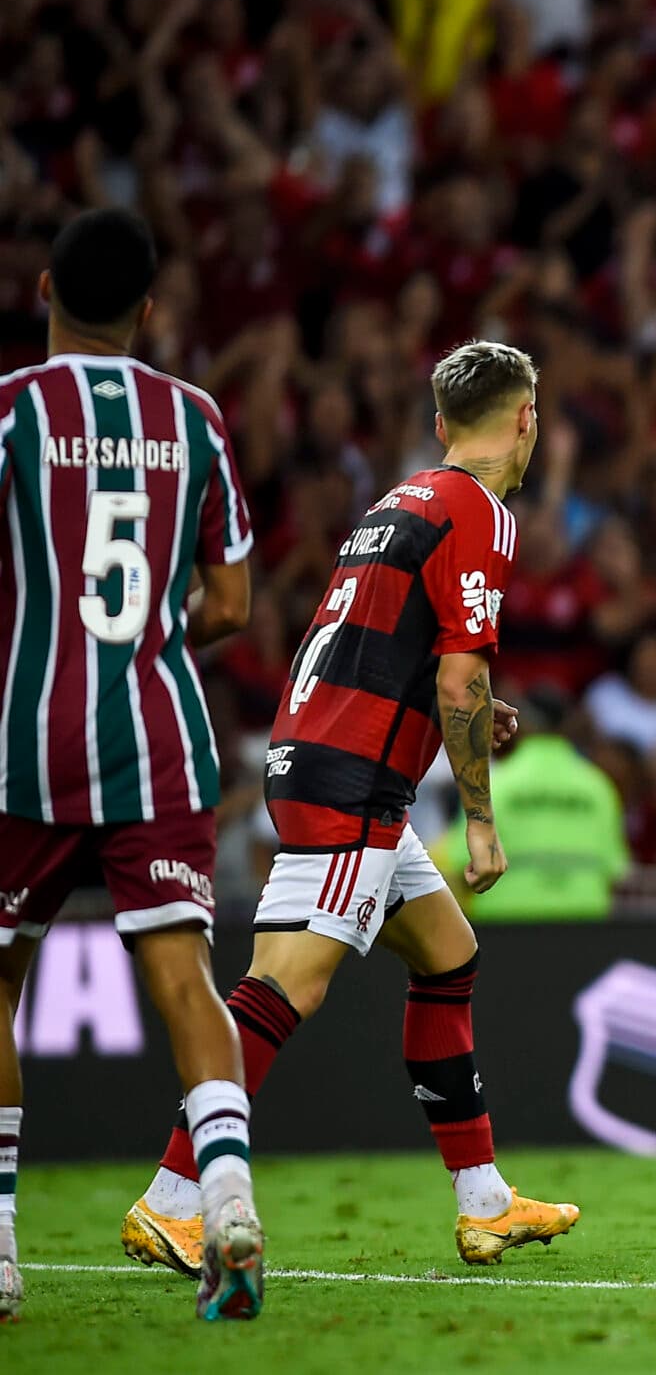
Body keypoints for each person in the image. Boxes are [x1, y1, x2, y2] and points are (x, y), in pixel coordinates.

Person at [122, 342, 579, 1278]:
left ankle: (485, 1203)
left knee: (449, 958)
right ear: (527, 420)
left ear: (444, 422)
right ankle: (173, 1198)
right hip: (353, 780)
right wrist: (482, 823)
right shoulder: (481, 513)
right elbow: (459, 674)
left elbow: (387, 649)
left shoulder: (398, 502)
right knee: (288, 985)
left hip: (328, 751)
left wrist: (466, 708)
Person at [0, 209, 267, 1322]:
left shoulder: (12, 411)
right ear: (148, 310)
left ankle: (0, 1247)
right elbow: (237, 604)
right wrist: (154, 631)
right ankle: (229, 1200)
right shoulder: (195, 417)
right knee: (183, 976)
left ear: (46, 286)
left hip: (26, 739)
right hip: (161, 733)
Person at [433, 692, 629, 920]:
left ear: (522, 724)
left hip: (506, 921)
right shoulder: (598, 788)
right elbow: (615, 868)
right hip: (584, 919)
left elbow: (459, 859)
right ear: (567, 725)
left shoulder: (495, 782)